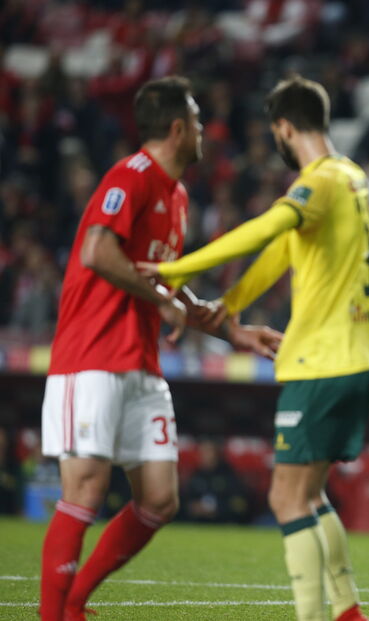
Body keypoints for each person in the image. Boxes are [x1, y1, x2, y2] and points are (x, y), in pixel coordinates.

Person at [39, 76, 283, 621]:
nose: (203, 131)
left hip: (140, 365)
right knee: (85, 490)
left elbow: (168, 287)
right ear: (177, 128)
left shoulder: (176, 195)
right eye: (197, 121)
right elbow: (99, 252)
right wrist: (163, 301)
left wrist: (233, 332)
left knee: (159, 498)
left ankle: (76, 601)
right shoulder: (132, 176)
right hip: (91, 356)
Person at [144, 76, 369, 621]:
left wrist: (172, 269)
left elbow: (264, 229)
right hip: (361, 357)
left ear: (283, 127)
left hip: (322, 360)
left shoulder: (318, 182)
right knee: (311, 493)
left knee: (285, 498)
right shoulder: (351, 178)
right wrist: (231, 301)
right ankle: (348, 611)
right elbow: (282, 249)